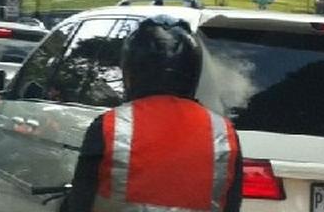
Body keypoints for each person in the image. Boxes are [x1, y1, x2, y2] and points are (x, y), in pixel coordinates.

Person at [65, 15, 242, 212]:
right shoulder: (223, 132)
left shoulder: (110, 125)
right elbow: (231, 204)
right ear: (192, 70)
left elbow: (80, 199)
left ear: (132, 70)